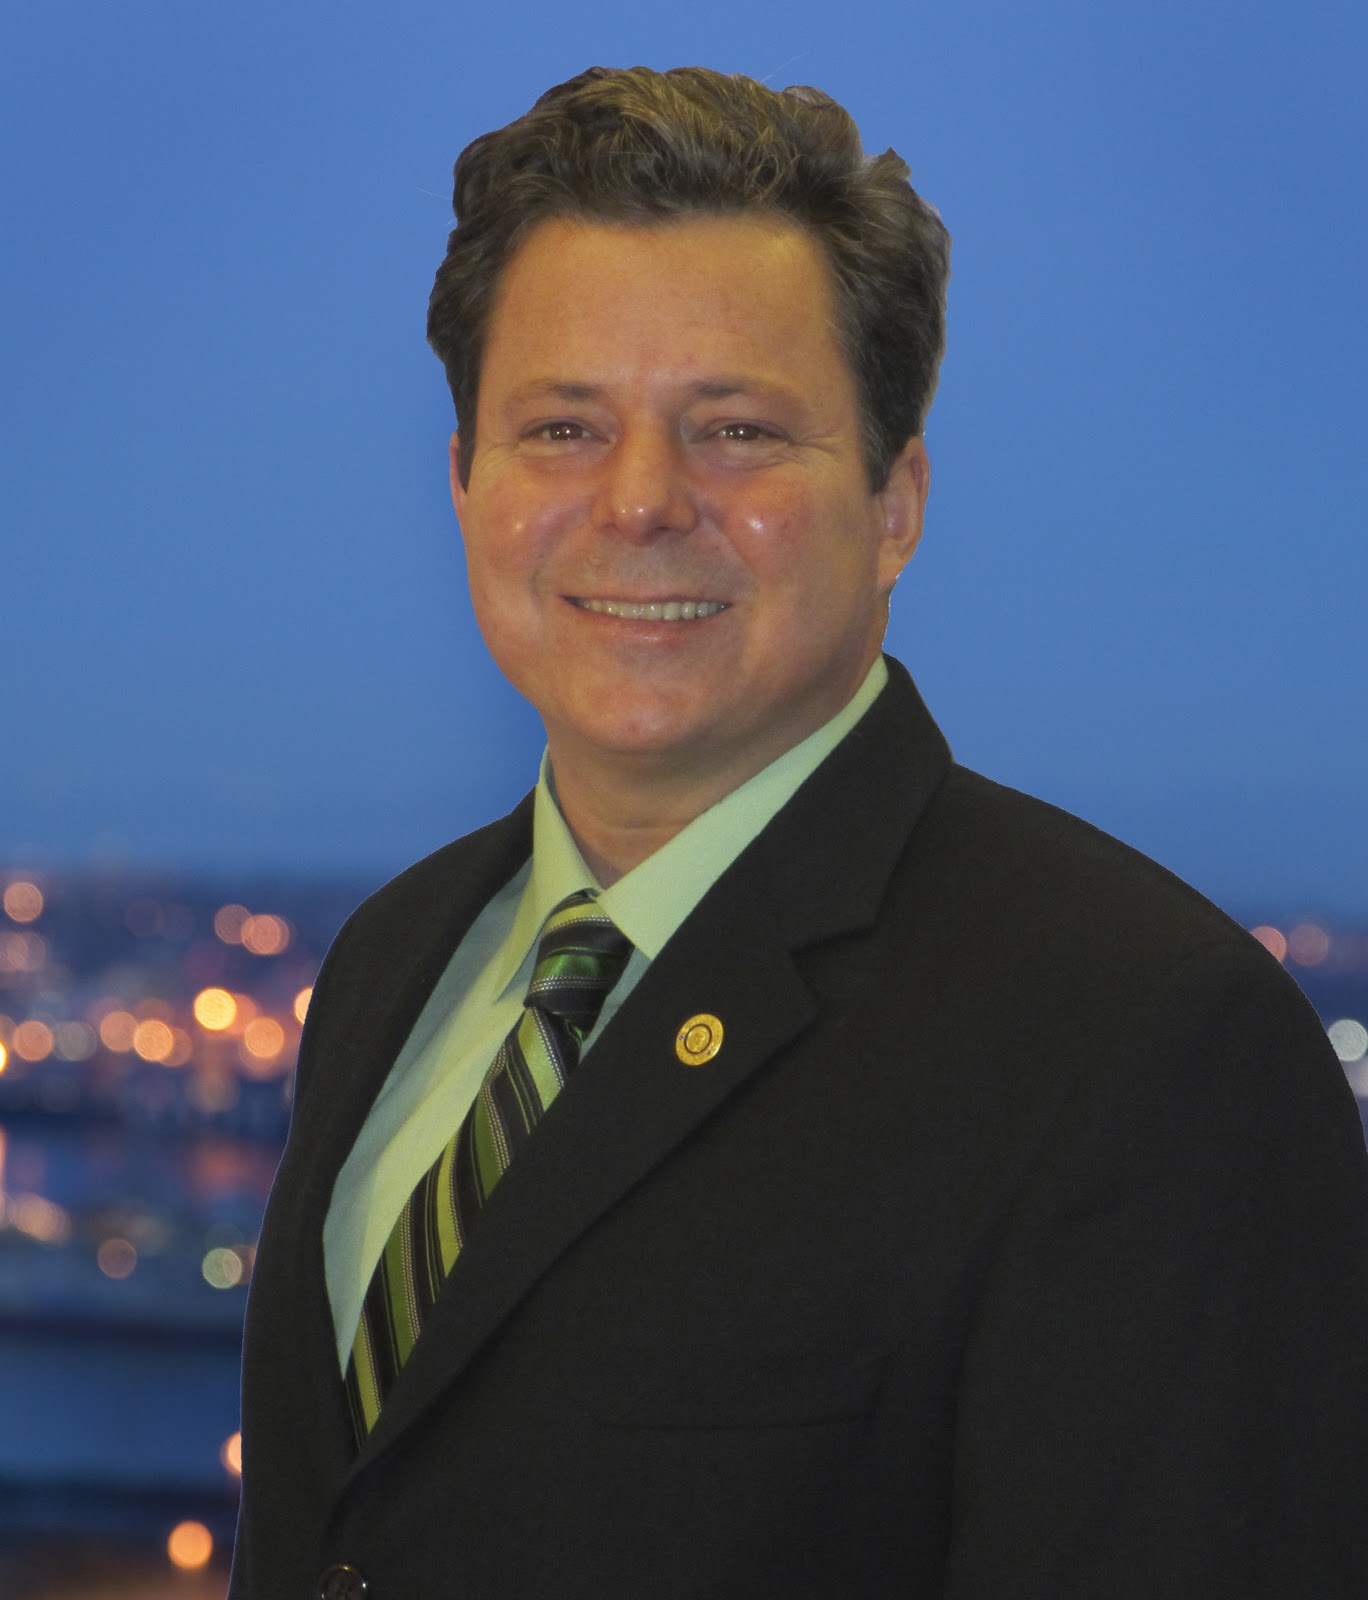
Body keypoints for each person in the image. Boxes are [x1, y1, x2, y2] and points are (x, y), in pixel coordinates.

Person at [229, 67, 1368, 1600]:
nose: (639, 502)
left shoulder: (1143, 1047)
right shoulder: (395, 962)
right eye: (561, 427)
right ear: (464, 483)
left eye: (737, 431)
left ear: (896, 503)